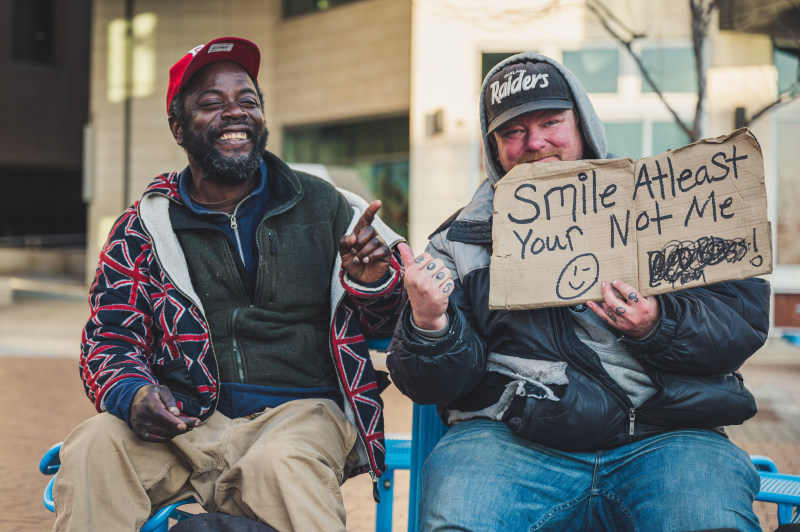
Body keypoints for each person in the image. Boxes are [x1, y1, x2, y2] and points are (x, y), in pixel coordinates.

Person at [388, 52, 771, 531]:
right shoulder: (457, 242)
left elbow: (741, 322)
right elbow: (432, 386)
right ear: (493, 147)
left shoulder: (669, 203)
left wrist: (657, 325)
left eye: (551, 122)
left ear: (583, 124)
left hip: (670, 438)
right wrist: (430, 325)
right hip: (511, 444)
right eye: (513, 132)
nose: (536, 143)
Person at [53, 37, 407, 532]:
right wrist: (131, 394)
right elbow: (109, 338)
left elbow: (403, 319)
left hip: (300, 415)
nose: (235, 113)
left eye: (248, 101)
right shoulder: (142, 228)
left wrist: (370, 281)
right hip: (187, 421)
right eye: (212, 104)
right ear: (179, 128)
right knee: (93, 446)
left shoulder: (327, 206)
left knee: (280, 464)